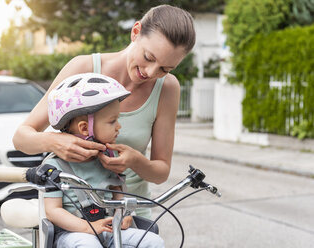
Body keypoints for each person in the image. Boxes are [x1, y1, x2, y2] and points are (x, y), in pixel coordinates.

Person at [13, 4, 196, 218]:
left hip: (129, 213)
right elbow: (21, 138)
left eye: (165, 69)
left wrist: (135, 161)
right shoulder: (83, 69)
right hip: (74, 216)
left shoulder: (167, 88)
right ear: (135, 32)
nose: (151, 72)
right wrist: (56, 142)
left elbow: (160, 172)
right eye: (148, 57)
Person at [43, 73, 164, 247]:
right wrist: (87, 227)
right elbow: (53, 211)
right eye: (112, 121)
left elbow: (119, 197)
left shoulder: (108, 159)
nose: (119, 126)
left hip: (107, 227)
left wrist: (123, 216)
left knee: (152, 241)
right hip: (73, 233)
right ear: (85, 128)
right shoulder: (54, 166)